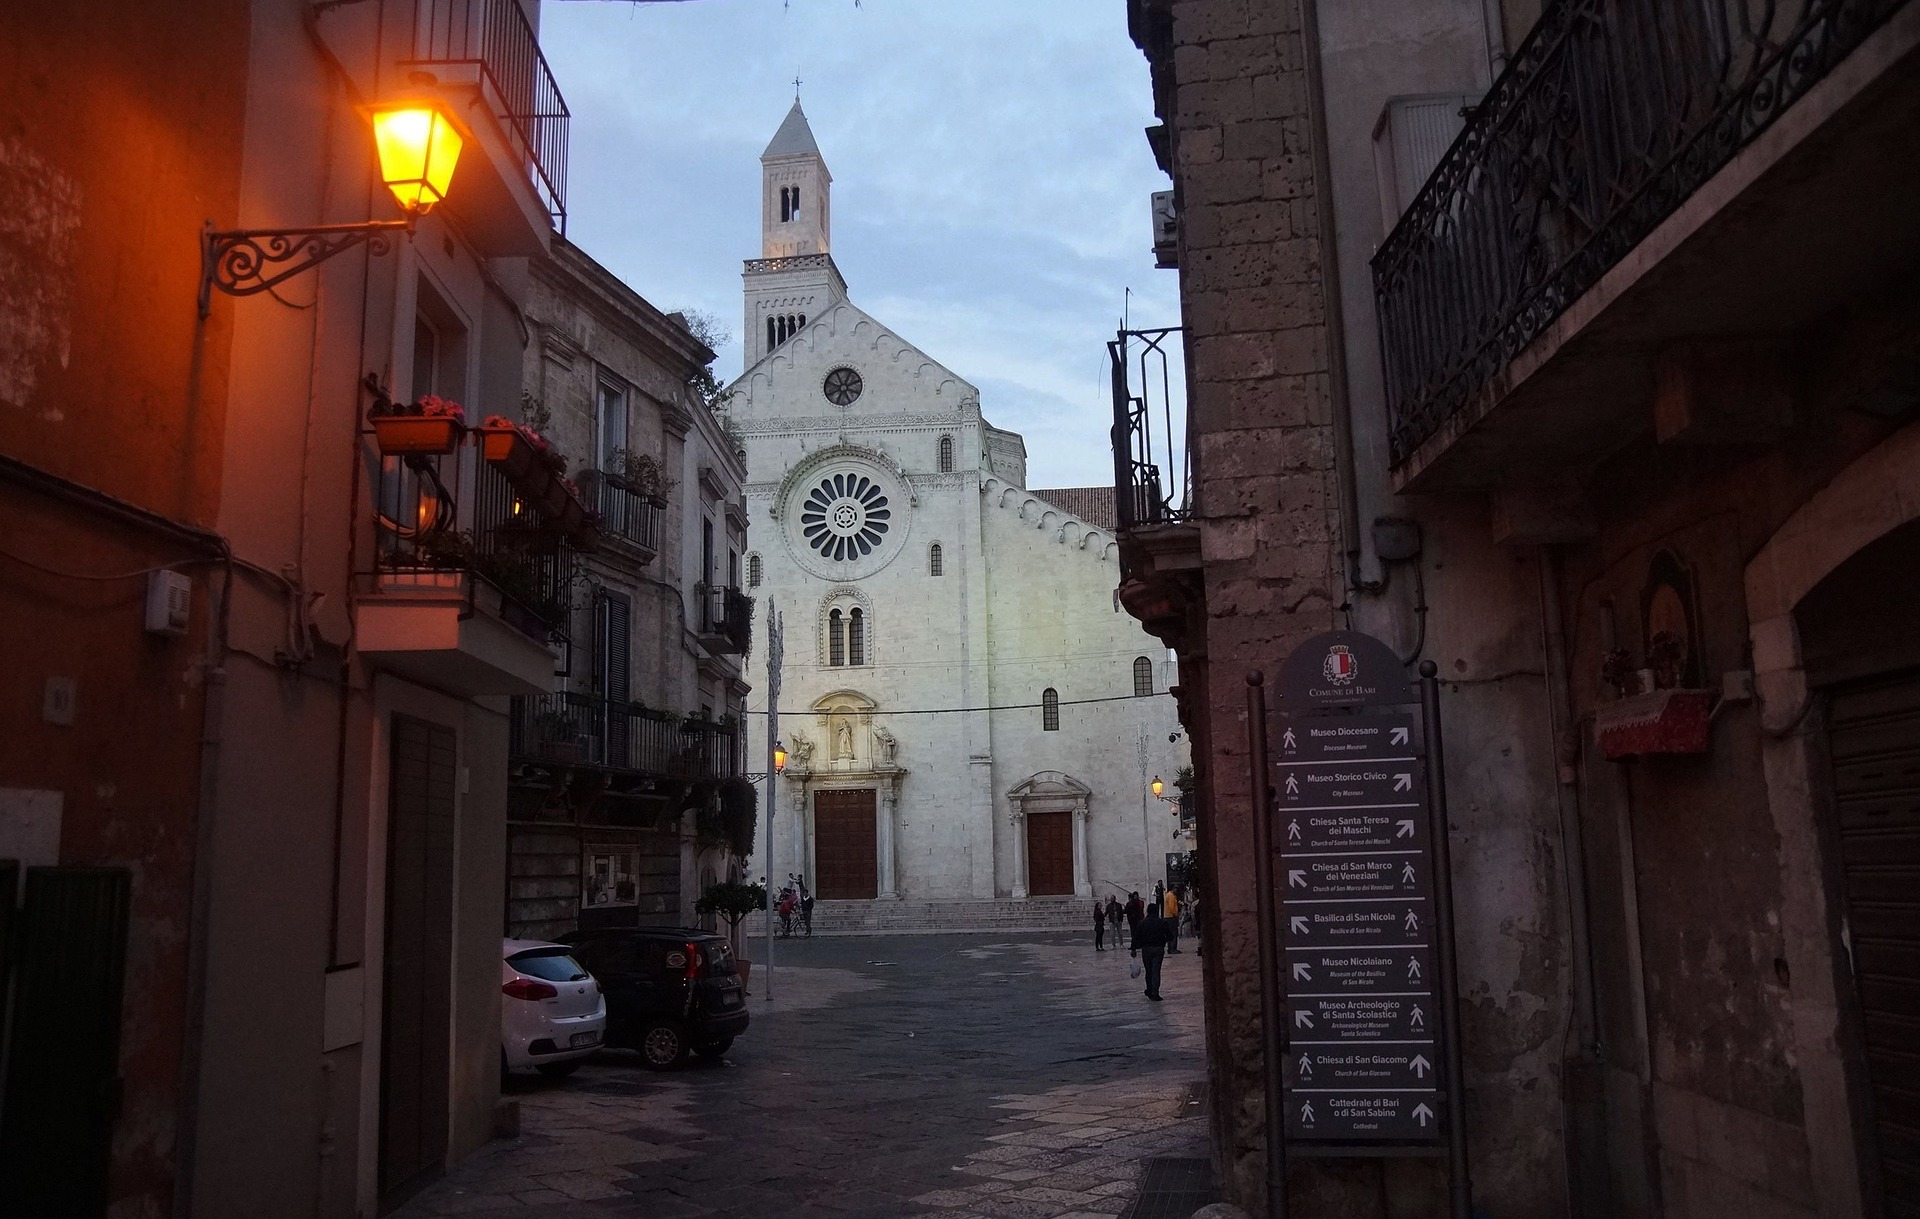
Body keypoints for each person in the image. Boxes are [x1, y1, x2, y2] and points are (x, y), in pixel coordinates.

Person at [1131, 905, 1174, 1001]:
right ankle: (1155, 992)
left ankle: (1149, 989)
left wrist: (1133, 949)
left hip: (1146, 949)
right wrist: (1163, 940)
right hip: (1158, 948)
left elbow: (1136, 936)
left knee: (1149, 970)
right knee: (1156, 970)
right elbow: (1170, 936)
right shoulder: (1162, 922)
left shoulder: (1142, 923)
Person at [1163, 886, 1182, 954]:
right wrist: (1175, 914)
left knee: (1170, 933)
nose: (1177, 890)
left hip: (1168, 916)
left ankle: (1170, 948)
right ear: (1173, 889)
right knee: (1173, 933)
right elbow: (1172, 907)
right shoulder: (1171, 896)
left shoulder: (1168, 895)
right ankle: (1173, 948)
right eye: (1176, 889)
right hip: (1171, 917)